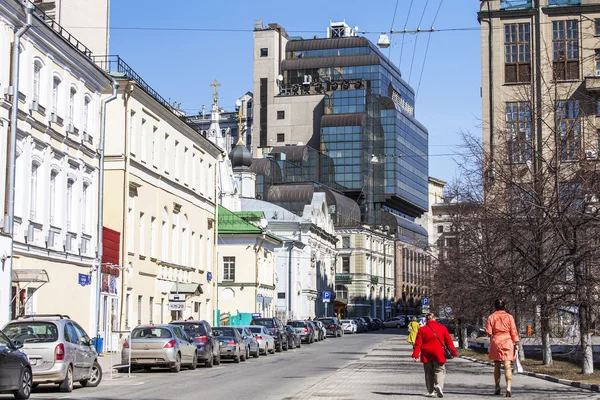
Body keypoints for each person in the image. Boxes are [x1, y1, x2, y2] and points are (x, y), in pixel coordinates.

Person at [412, 313, 457, 398]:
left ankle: (431, 391)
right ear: (435, 319)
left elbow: (418, 344)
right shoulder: (442, 328)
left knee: (429, 372)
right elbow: (449, 342)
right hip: (439, 353)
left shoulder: (422, 329)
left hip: (426, 354)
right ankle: (439, 385)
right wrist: (453, 352)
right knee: (440, 370)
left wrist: (415, 355)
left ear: (426, 320)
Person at [486, 298, 520, 398]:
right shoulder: (509, 317)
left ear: (495, 306)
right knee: (507, 366)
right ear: (504, 306)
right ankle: (508, 388)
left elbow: (489, 332)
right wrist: (516, 342)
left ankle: (497, 387)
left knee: (497, 365)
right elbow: (513, 330)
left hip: (496, 341)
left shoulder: (491, 317)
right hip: (507, 341)